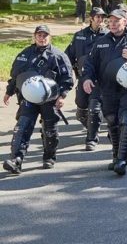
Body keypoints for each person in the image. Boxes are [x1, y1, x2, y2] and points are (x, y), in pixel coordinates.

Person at [82, 9, 127, 175]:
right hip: (107, 88)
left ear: (125, 22)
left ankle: (123, 159)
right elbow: (90, 64)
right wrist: (87, 78)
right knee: (112, 121)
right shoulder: (101, 41)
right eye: (111, 21)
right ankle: (116, 156)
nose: (113, 24)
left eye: (117, 21)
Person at [3, 25, 74, 174]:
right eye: (39, 35)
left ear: (50, 37)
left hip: (50, 99)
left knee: (49, 129)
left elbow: (67, 79)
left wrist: (62, 96)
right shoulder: (25, 54)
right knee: (22, 126)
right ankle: (16, 159)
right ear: (35, 36)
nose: (42, 38)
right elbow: (16, 76)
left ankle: (49, 156)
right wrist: (9, 92)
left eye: (45, 35)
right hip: (28, 98)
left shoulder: (59, 56)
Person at [64, 7, 108, 151]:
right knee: (82, 107)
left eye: (102, 17)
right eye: (98, 17)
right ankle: (92, 126)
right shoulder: (80, 36)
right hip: (83, 77)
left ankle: (91, 138)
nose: (100, 20)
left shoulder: (108, 36)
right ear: (91, 18)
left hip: (100, 79)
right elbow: (68, 57)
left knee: (94, 109)